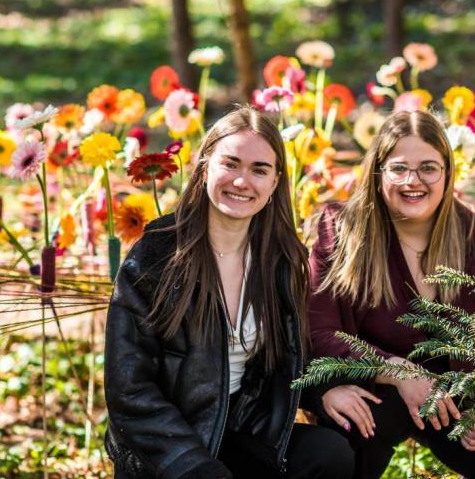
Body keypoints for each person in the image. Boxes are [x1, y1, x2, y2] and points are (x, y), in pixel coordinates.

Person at [306, 110, 475, 478]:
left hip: (468, 397)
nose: (414, 181)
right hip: (381, 388)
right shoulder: (343, 231)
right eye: (399, 169)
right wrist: (393, 370)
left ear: (447, 173)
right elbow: (319, 331)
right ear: (378, 174)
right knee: (347, 431)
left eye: (428, 167)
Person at [104, 107, 354, 479]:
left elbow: (288, 356)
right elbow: (128, 389)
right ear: (205, 167)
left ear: (274, 183)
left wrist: (324, 391)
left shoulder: (279, 257)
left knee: (329, 454)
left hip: (241, 427)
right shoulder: (159, 253)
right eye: (230, 164)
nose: (242, 181)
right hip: (169, 446)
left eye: (259, 169)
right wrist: (194, 465)